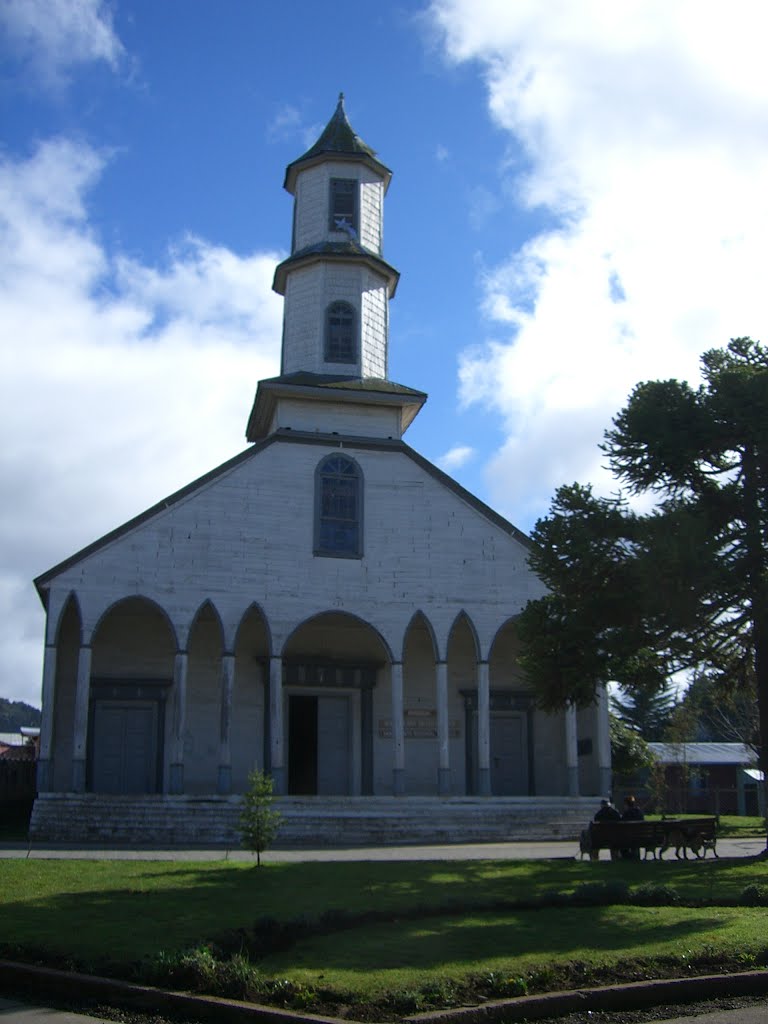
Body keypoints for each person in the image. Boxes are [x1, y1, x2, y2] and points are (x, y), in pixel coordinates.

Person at [621, 794, 644, 859]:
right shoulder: (639, 813)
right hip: (640, 837)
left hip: (628, 838)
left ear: (626, 804)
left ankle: (626, 857)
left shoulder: (626, 814)